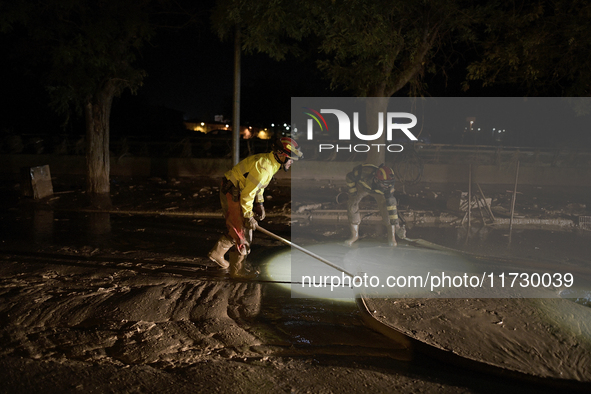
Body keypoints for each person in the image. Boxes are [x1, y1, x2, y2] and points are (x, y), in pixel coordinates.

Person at [208, 136, 303, 278]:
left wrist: (259, 204)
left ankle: (217, 254)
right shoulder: (264, 167)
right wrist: (248, 215)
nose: (292, 162)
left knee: (241, 230)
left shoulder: (272, 163)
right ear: (281, 154)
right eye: (291, 159)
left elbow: (259, 187)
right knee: (243, 233)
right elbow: (248, 193)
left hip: (237, 191)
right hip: (233, 192)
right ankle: (238, 271)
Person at [344, 163, 406, 247]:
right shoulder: (361, 172)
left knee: (386, 207)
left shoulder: (388, 187)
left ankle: (392, 237)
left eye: (390, 183)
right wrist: (353, 192)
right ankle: (354, 235)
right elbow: (349, 177)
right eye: (385, 183)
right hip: (363, 187)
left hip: (379, 192)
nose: (388, 186)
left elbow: (392, 208)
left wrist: (398, 227)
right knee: (352, 204)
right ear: (376, 180)